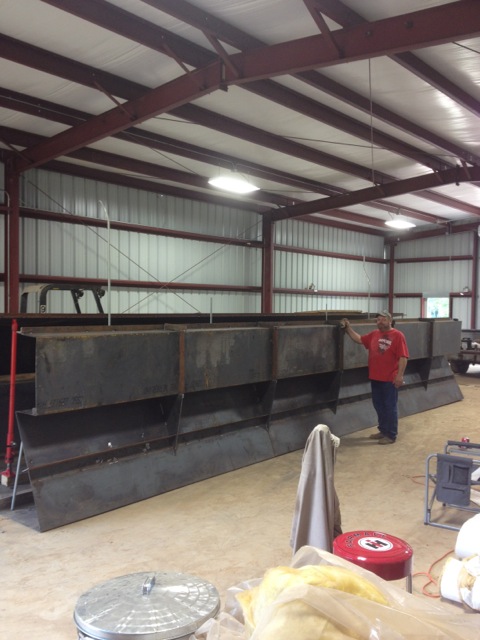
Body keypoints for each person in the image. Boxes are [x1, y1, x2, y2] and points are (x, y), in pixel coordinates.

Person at [341, 310, 409, 445]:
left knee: (390, 407)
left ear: (390, 321)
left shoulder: (398, 335)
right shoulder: (374, 334)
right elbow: (359, 339)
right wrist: (348, 328)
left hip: (390, 379)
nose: (380, 322)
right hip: (376, 378)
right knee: (379, 406)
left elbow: (403, 357)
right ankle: (383, 430)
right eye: (378, 320)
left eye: (383, 319)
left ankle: (391, 435)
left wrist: (400, 376)